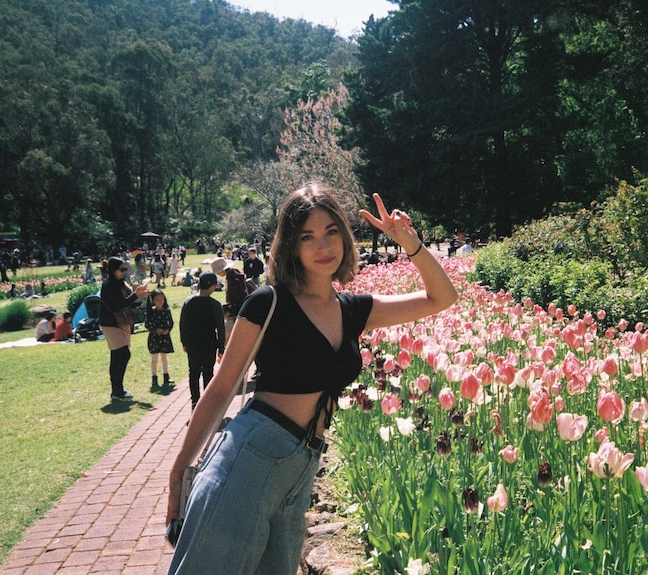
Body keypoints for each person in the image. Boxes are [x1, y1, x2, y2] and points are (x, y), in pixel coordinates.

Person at [165, 185, 458, 573]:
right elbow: (221, 388)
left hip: (303, 465)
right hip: (252, 454)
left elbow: (442, 298)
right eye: (308, 236)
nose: (323, 245)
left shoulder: (354, 309)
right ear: (291, 246)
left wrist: (409, 242)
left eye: (331, 231)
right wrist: (178, 473)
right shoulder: (268, 302)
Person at [100, 256, 148, 401]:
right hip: (110, 323)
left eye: (125, 269)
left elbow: (128, 304)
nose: (124, 272)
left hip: (122, 322)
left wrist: (142, 297)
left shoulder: (122, 285)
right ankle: (117, 389)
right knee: (123, 354)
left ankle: (117, 390)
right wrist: (135, 295)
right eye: (121, 270)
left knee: (118, 356)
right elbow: (117, 305)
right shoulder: (108, 285)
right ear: (113, 270)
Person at [178, 272, 225, 411]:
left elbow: (183, 324)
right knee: (208, 372)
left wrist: (184, 342)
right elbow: (220, 328)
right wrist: (221, 347)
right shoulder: (214, 304)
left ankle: (195, 401)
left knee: (194, 372)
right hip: (209, 343)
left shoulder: (189, 302)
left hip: (193, 344)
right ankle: (208, 403)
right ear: (211, 286)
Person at [210, 256, 249, 335]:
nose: (218, 274)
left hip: (237, 311)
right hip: (238, 309)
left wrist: (231, 310)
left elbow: (238, 296)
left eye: (218, 272)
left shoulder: (233, 277)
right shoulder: (233, 274)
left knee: (225, 333)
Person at [145, 288, 175, 390]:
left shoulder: (166, 311)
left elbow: (171, 323)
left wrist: (167, 330)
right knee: (154, 359)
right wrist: (155, 330)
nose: (160, 301)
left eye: (162, 299)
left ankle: (166, 375)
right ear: (153, 300)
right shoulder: (151, 312)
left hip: (164, 337)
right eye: (157, 299)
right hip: (154, 338)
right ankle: (154, 377)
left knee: (164, 358)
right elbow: (147, 324)